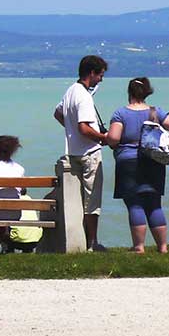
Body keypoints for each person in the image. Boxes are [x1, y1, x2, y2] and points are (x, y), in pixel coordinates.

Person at [106, 77, 169, 254]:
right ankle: (163, 247)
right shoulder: (156, 113)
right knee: (154, 203)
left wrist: (107, 139)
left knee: (135, 204)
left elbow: (114, 138)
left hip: (128, 161)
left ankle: (139, 246)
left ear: (129, 92)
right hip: (153, 161)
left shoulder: (120, 114)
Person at [54, 55, 112, 251]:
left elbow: (58, 113)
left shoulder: (71, 91)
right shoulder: (84, 96)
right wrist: (103, 138)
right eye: (100, 75)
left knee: (78, 200)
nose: (101, 79)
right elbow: (84, 128)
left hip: (73, 152)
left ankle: (80, 239)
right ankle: (92, 242)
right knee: (92, 200)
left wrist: (69, 130)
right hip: (89, 153)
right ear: (92, 73)